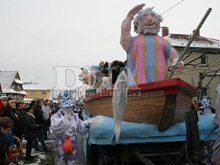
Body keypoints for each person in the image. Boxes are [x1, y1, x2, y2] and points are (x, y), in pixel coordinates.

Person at [120, 4, 184, 85]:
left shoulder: (164, 42)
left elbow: (175, 57)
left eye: (153, 16)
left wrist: (178, 63)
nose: (149, 19)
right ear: (137, 23)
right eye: (144, 16)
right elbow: (124, 31)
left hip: (160, 85)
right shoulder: (131, 41)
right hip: (137, 86)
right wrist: (129, 16)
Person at [51, 90, 91, 165]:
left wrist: (87, 124)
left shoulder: (75, 117)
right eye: (66, 107)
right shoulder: (56, 116)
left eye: (70, 107)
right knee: (61, 162)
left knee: (72, 162)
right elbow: (54, 128)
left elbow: (81, 129)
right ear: (62, 107)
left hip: (72, 145)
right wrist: (65, 120)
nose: (68, 109)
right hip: (60, 145)